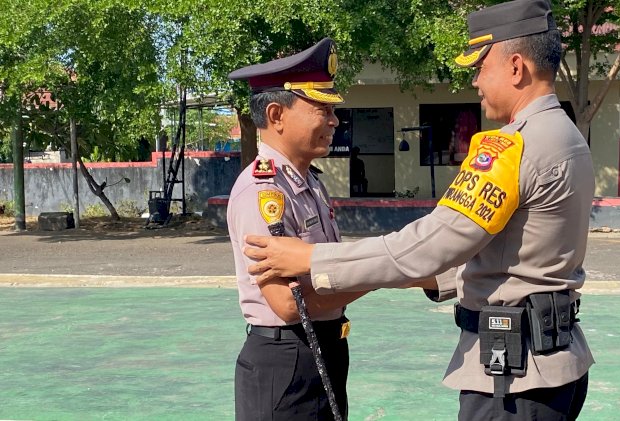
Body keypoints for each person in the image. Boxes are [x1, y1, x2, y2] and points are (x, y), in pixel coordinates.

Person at [244, 0, 595, 419]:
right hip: (550, 360)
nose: (476, 81)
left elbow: (432, 244)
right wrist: (397, 274)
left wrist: (312, 258)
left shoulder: (513, 146)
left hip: (514, 378)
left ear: (516, 67)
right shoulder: (566, 136)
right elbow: (499, 252)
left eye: (480, 67)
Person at [227, 37, 368, 421]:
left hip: (320, 350)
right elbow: (288, 304)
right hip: (287, 362)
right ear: (276, 115)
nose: (334, 120)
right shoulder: (264, 190)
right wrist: (378, 272)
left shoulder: (307, 182)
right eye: (322, 109)